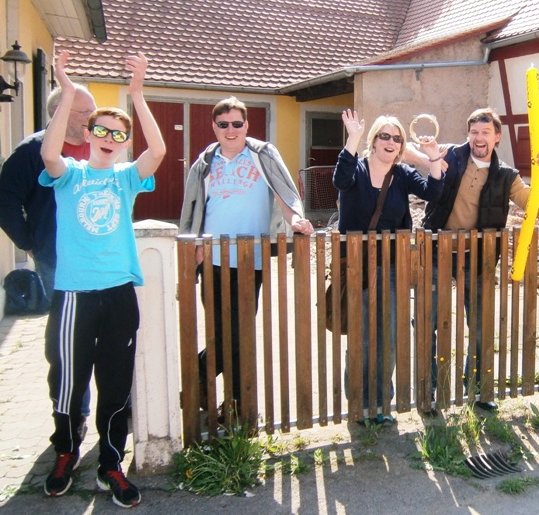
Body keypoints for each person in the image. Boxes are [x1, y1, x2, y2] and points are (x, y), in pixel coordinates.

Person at [40, 50, 165, 507]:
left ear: (124, 143)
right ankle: (66, 452)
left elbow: (159, 151)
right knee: (68, 379)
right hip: (75, 293)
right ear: (89, 134)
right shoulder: (69, 175)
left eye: (118, 133)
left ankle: (110, 463)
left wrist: (137, 94)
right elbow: (49, 153)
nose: (109, 138)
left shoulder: (126, 178)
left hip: (118, 292)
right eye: (102, 130)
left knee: (115, 381)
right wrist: (68, 90)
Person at [179, 96, 313, 412]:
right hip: (211, 259)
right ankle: (234, 405)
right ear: (214, 127)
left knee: (239, 333)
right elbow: (194, 206)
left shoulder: (262, 155)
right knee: (220, 333)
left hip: (250, 260)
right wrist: (194, 244)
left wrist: (296, 219)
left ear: (246, 125)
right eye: (223, 124)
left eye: (237, 123)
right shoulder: (205, 161)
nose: (231, 130)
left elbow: (284, 193)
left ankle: (206, 382)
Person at [405, 107, 533, 412]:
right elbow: (406, 152)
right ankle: (429, 393)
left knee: (479, 324)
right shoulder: (450, 154)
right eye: (474, 132)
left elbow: (538, 206)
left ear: (497, 137)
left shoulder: (506, 176)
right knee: (428, 321)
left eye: (486, 132)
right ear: (468, 134)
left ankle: (478, 390)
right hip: (436, 253)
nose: (479, 138)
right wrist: (430, 156)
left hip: (477, 258)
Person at [334, 109, 444, 424]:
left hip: (393, 265)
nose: (391, 142)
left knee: (389, 336)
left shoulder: (403, 174)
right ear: (374, 140)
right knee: (361, 337)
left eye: (397, 138)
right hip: (357, 265)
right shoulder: (355, 168)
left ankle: (381, 404)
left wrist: (433, 156)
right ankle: (359, 404)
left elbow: (434, 192)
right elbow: (340, 180)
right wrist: (352, 139)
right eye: (385, 135)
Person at [0, 80, 96, 422]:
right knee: (68, 336)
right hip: (57, 258)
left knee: (106, 332)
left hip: (101, 257)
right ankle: (74, 412)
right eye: (84, 111)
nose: (92, 117)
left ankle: (120, 405)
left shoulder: (98, 144)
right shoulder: (32, 152)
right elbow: (6, 201)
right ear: (58, 112)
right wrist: (29, 242)